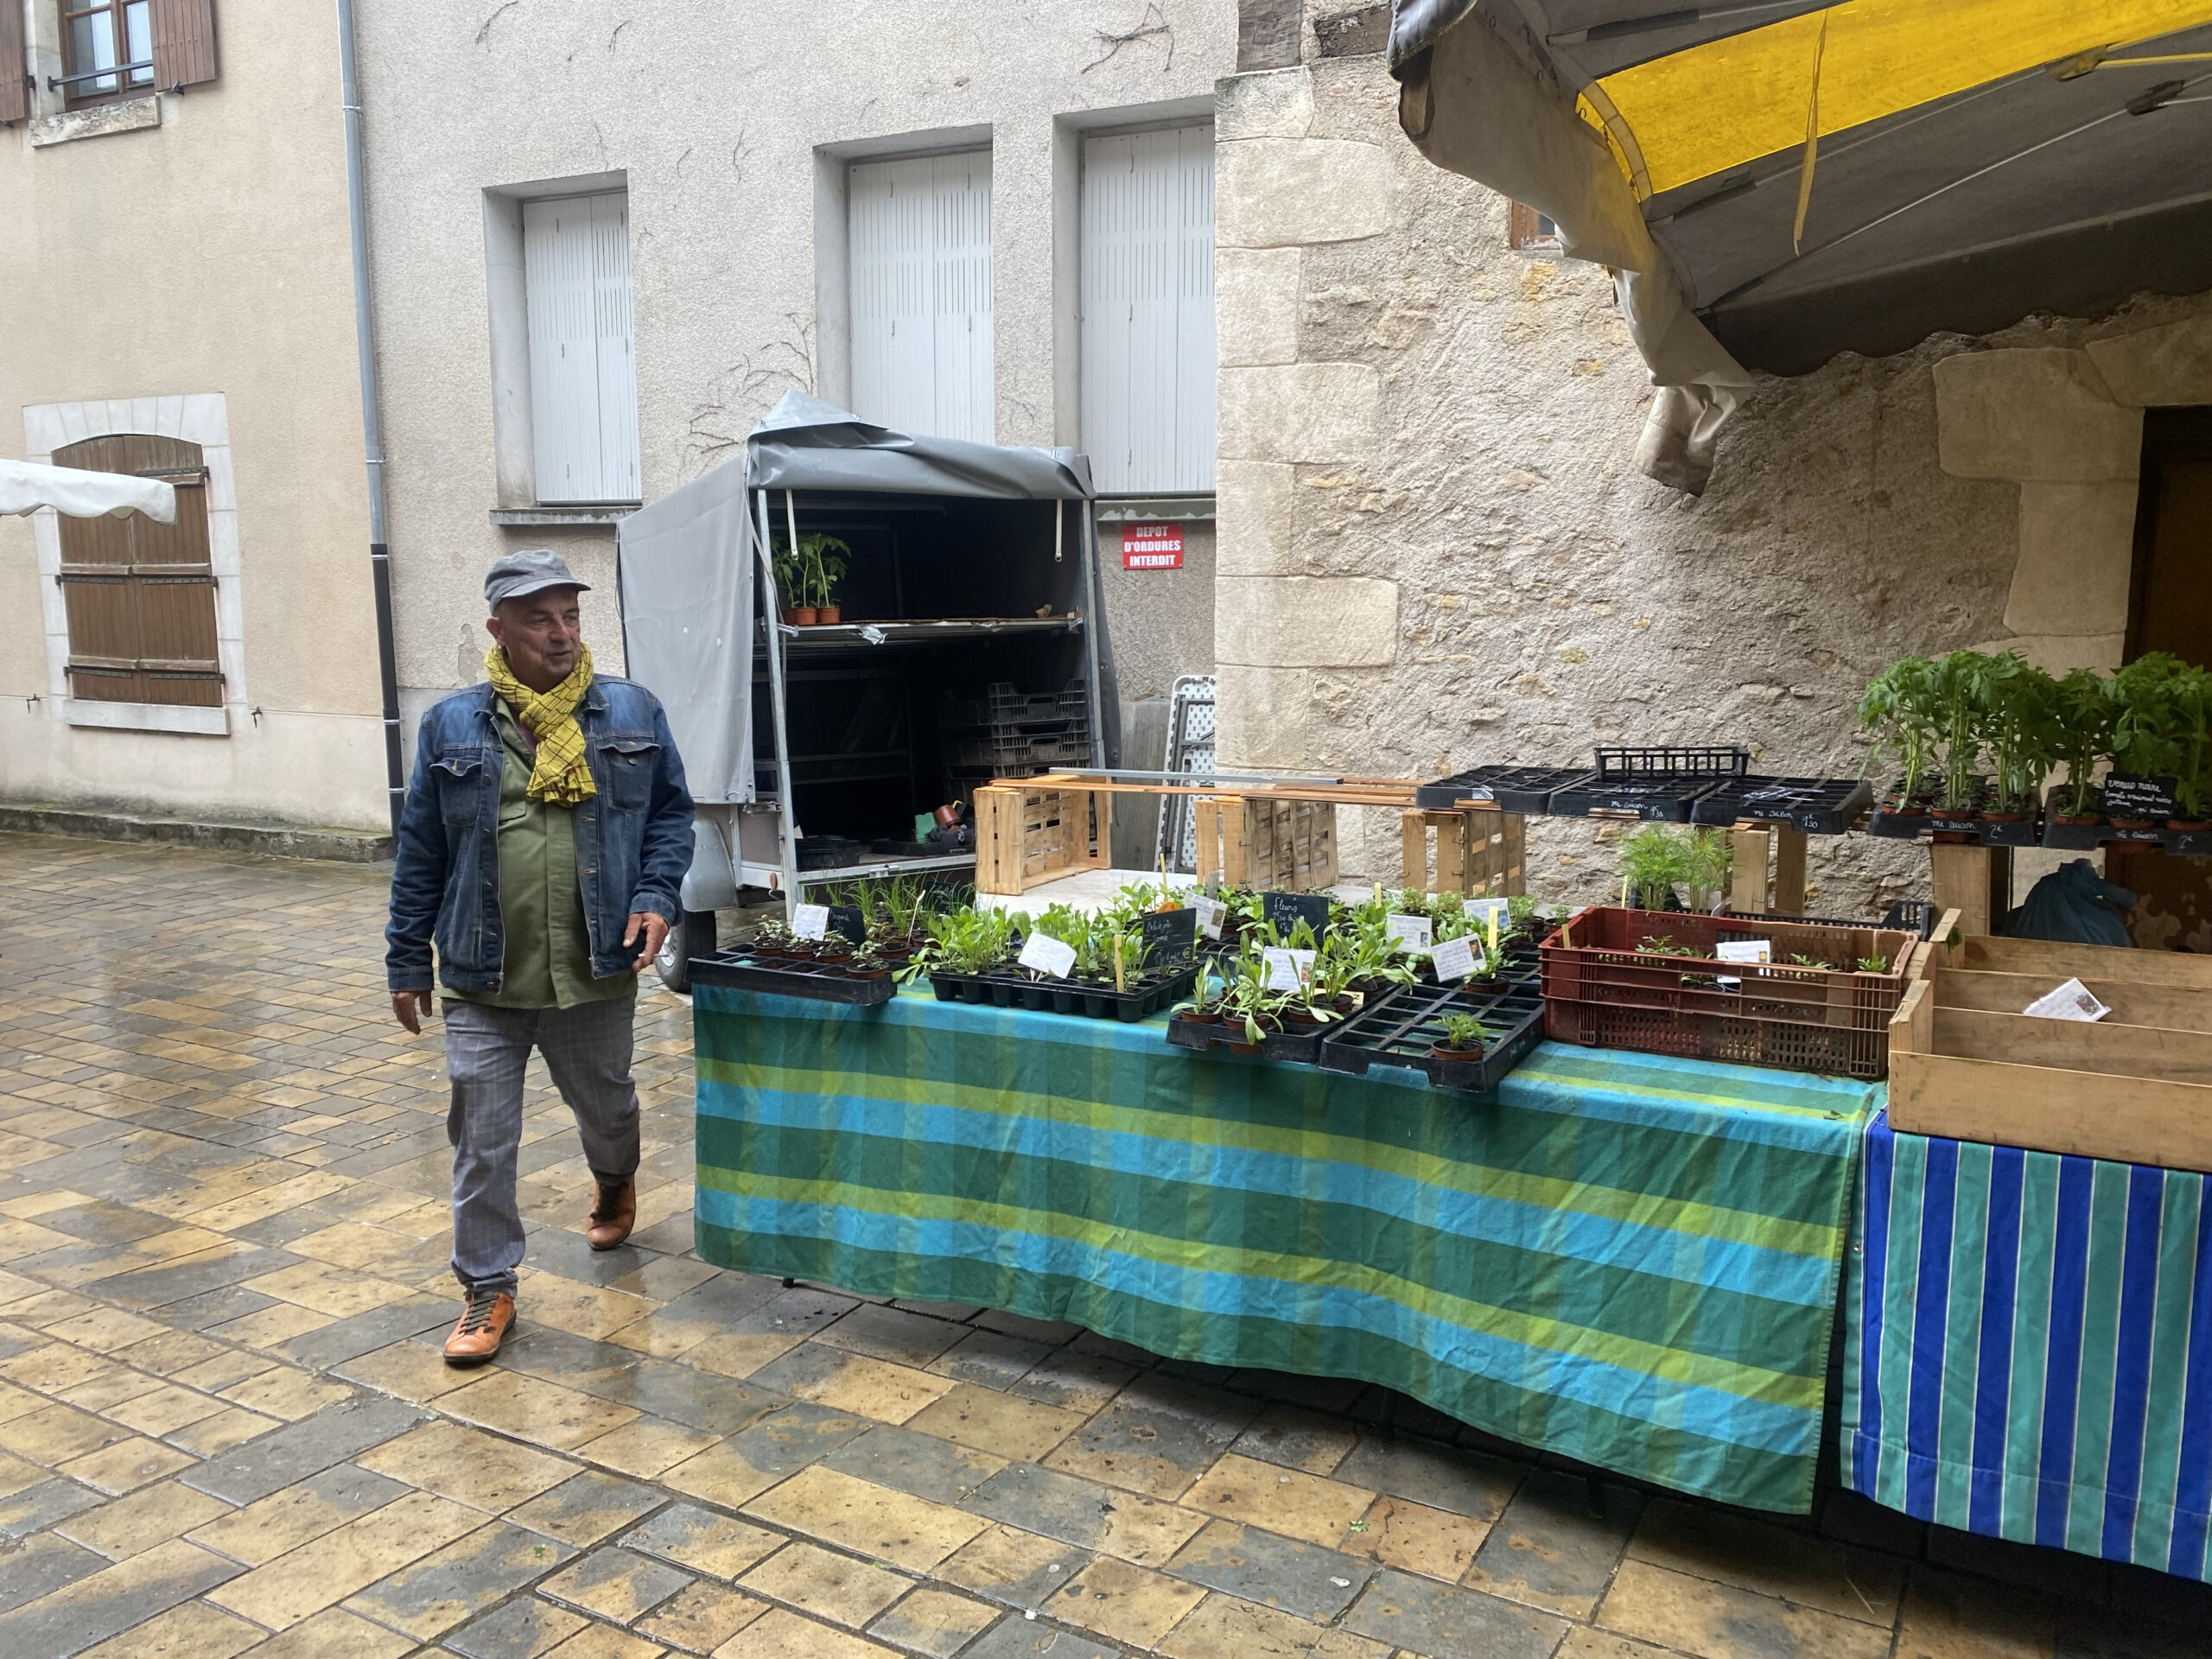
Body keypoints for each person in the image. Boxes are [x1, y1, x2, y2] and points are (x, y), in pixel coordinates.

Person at [386, 549, 693, 1364]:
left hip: (596, 964)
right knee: (481, 1139)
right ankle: (488, 1287)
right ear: (499, 629)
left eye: (570, 616)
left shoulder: (630, 712)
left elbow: (671, 819)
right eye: (538, 618)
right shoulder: (451, 725)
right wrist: (405, 959)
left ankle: (615, 1176)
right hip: (483, 973)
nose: (560, 635)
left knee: (610, 1110)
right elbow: (420, 848)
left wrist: (657, 897)